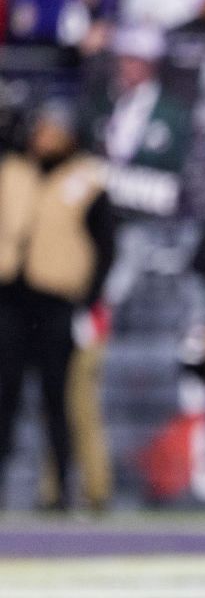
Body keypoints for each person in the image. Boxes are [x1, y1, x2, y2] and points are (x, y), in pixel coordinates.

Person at [0, 101, 115, 511]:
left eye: (51, 129)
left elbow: (105, 249)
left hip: (58, 302)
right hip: (10, 299)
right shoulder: (13, 169)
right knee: (4, 398)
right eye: (39, 128)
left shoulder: (88, 179)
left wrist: (88, 301)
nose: (42, 137)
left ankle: (61, 489)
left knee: (59, 399)